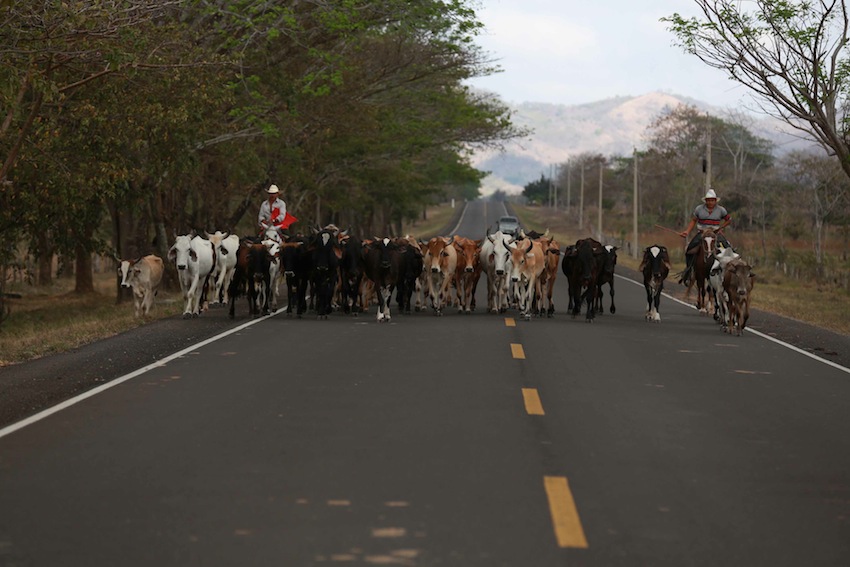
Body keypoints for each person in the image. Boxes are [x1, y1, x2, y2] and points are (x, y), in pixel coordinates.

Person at [678, 188, 731, 285]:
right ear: (705, 201)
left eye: (712, 200)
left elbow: (728, 219)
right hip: (702, 233)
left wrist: (721, 227)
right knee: (689, 249)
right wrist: (687, 231)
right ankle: (689, 271)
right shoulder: (699, 209)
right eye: (709, 200)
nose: (710, 202)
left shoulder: (721, 210)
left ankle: (731, 271)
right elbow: (694, 220)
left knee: (728, 248)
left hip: (715, 233)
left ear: (715, 201)